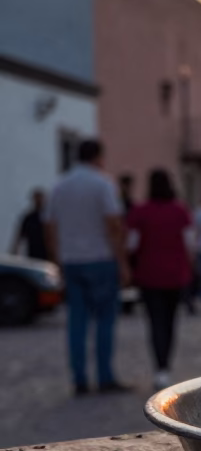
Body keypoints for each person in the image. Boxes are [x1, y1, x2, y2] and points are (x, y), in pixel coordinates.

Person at [43, 139, 131, 395]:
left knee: (77, 321)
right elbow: (113, 225)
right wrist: (122, 262)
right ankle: (105, 376)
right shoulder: (103, 183)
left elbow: (49, 227)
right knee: (105, 320)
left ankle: (79, 378)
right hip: (100, 258)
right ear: (97, 157)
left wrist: (57, 258)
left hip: (71, 261)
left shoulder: (59, 185)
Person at [127, 170, 194, 390]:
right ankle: (165, 366)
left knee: (155, 322)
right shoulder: (179, 210)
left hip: (149, 276)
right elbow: (190, 244)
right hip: (175, 275)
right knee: (170, 322)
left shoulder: (141, 212)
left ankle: (159, 367)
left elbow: (132, 245)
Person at [10, 189, 50, 261]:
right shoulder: (29, 218)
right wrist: (14, 251)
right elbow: (20, 236)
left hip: (46, 254)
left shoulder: (48, 217)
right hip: (32, 254)